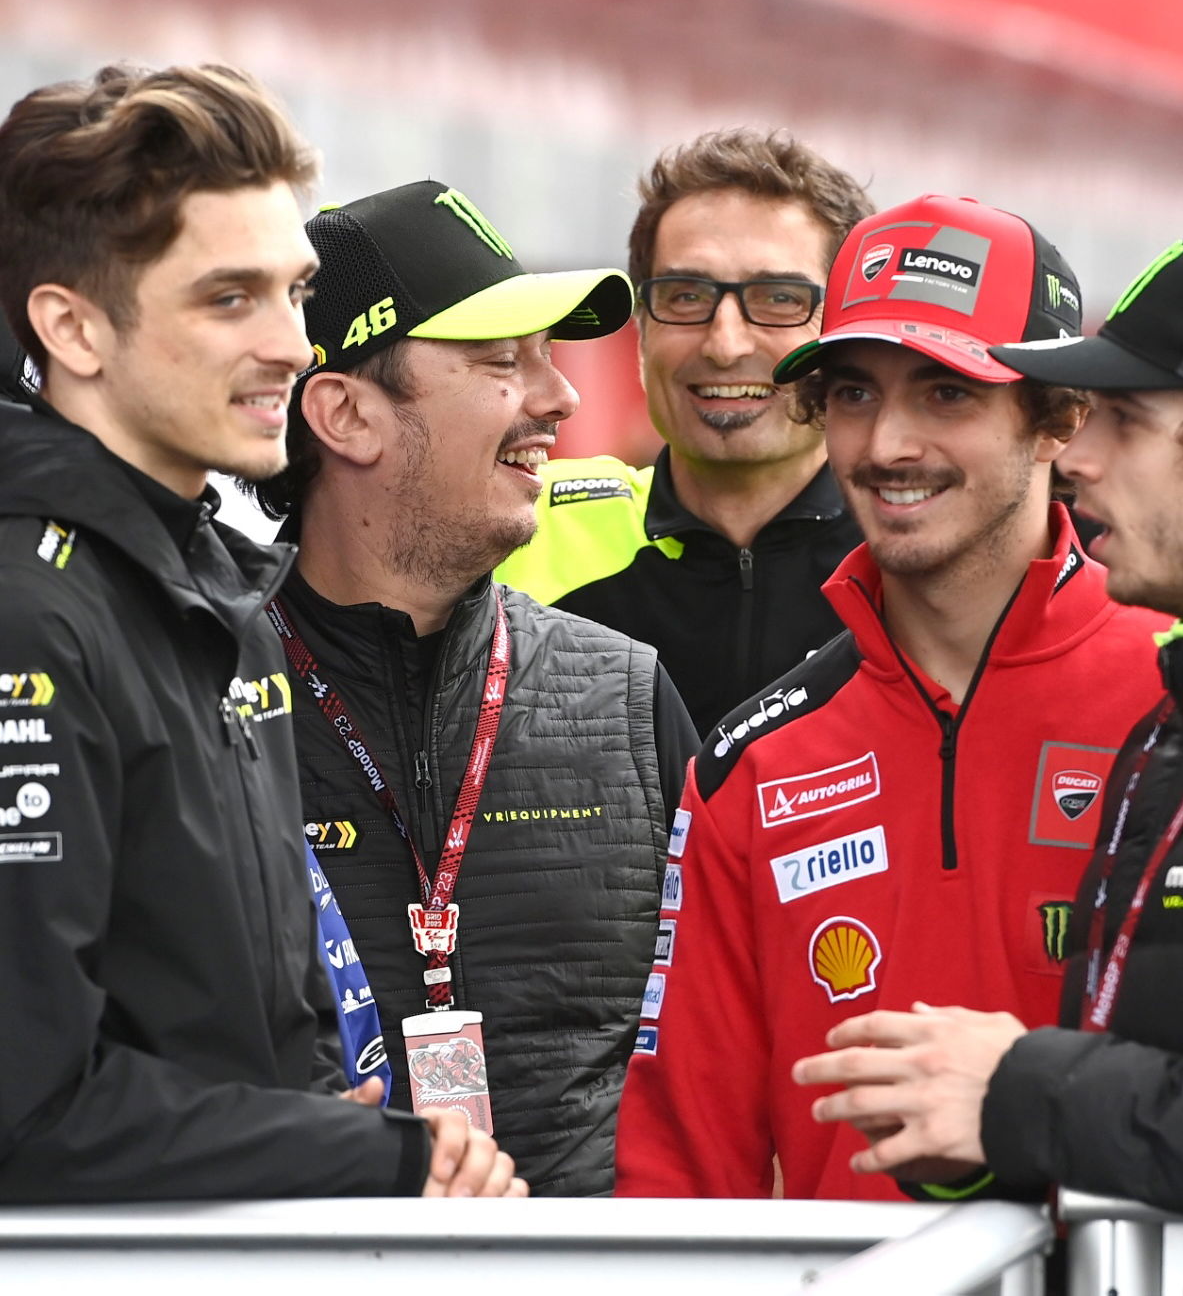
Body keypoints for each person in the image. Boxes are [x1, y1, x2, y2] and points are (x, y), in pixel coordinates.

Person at [0, 63, 521, 1200]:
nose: (293, 344)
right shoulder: (30, 619)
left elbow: (243, 1040)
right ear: (72, 328)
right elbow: (25, 1109)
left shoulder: (216, 593)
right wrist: (375, 1158)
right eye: (230, 299)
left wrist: (308, 1132)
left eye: (295, 292)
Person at [793, 221, 1183, 1242]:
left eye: (1131, 421)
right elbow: (1164, 1117)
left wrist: (1024, 1092)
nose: (1079, 459)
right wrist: (977, 1138)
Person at [613, 194, 1170, 1201]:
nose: (887, 446)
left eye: (946, 394)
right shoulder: (750, 764)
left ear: (1057, 417)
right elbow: (680, 1168)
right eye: (855, 395)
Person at [248, 180, 698, 1196]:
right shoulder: (201, 695)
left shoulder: (626, 693)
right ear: (346, 413)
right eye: (503, 361)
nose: (561, 398)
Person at [497, 129, 873, 735]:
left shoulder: (917, 559)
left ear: (848, 332)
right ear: (642, 330)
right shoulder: (516, 528)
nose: (725, 345)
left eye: (779, 297)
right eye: (686, 295)